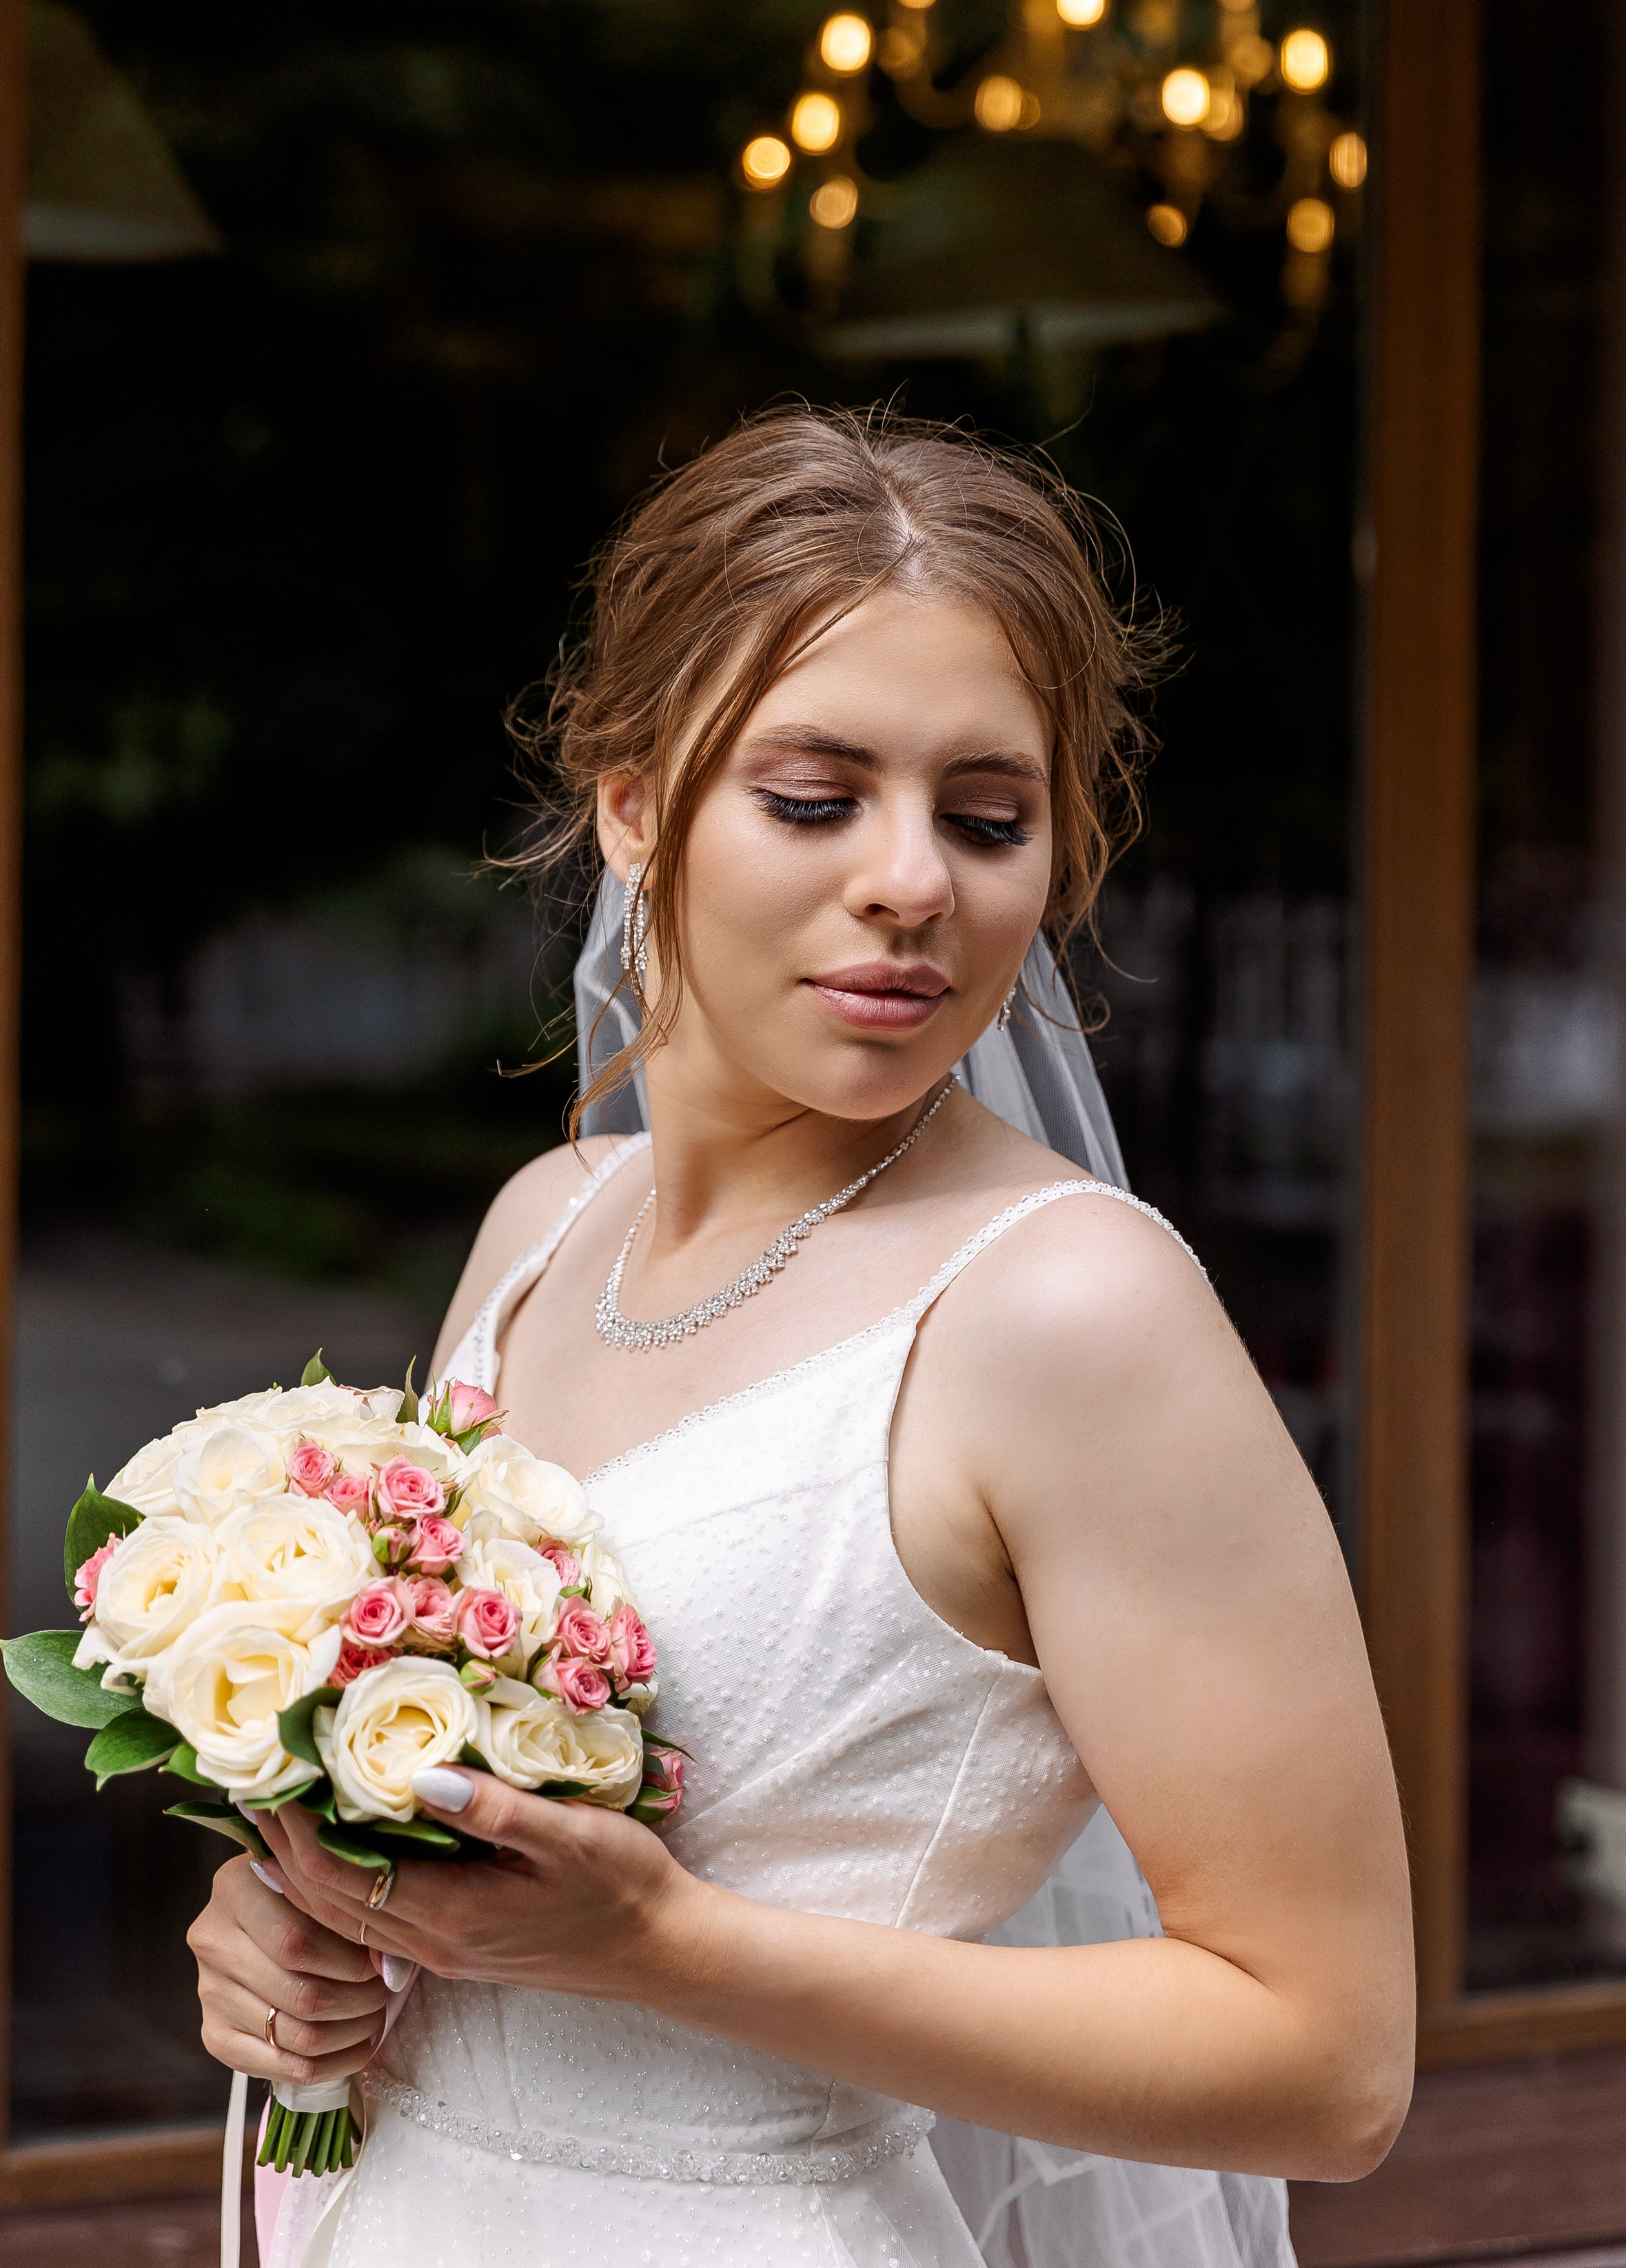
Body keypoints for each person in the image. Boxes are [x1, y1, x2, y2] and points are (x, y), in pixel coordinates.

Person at [188, 407, 1416, 2268]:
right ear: (629, 800)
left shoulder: (1071, 1310)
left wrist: (673, 1950)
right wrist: (289, 1928)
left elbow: (1326, 2061)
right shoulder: (544, 1230)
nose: (914, 882)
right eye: (818, 796)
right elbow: (452, 1844)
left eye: (988, 818)